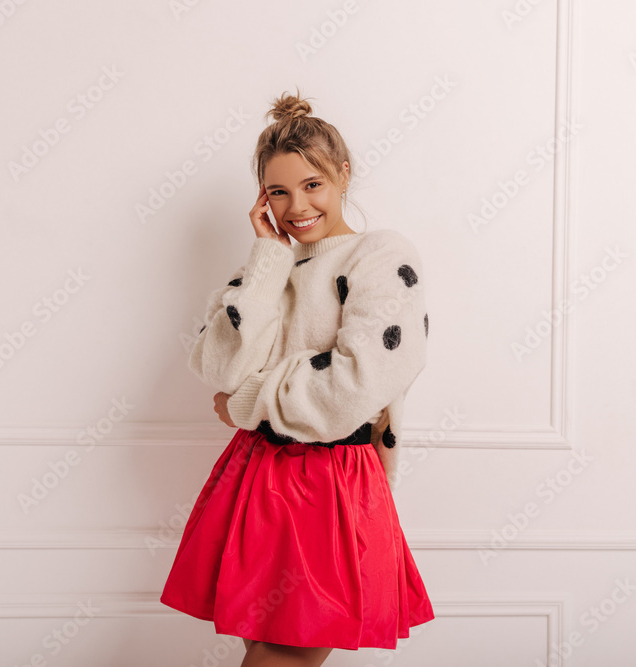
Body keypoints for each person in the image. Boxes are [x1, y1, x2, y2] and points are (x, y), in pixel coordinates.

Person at [159, 87, 435, 667]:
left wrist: (250, 400)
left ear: (343, 173)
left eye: (312, 185)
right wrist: (267, 259)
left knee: (282, 657)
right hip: (257, 472)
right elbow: (216, 364)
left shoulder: (380, 256)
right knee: (261, 647)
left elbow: (355, 385)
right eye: (277, 192)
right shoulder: (267, 268)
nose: (296, 207)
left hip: (332, 478)